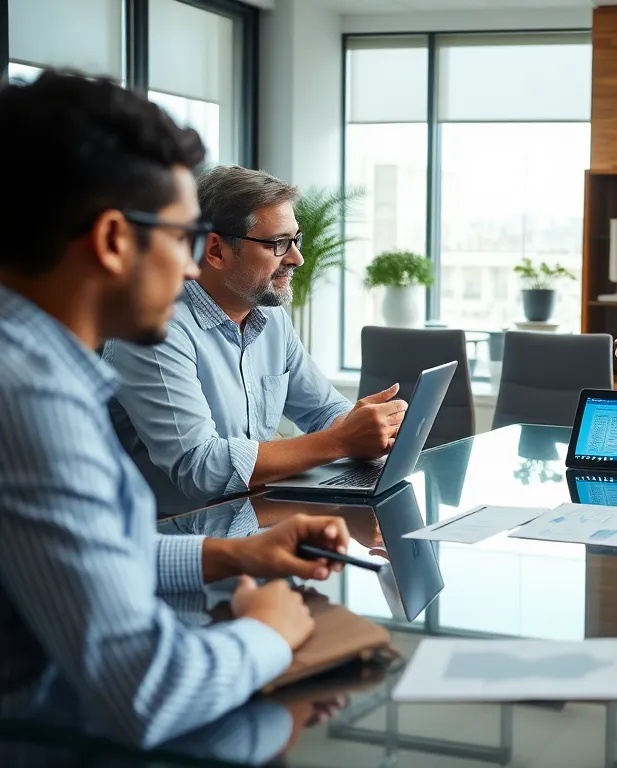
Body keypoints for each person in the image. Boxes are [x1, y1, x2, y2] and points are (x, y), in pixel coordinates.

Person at [0, 71, 355, 747]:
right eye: (183, 237)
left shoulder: (37, 368)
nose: (194, 268)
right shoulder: (32, 398)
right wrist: (268, 634)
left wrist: (237, 552)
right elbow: (148, 689)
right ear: (111, 241)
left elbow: (95, 558)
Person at [103, 165, 408, 516]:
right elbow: (200, 468)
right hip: (171, 542)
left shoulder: (270, 316)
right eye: (278, 244)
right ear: (215, 250)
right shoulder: (153, 330)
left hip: (253, 526)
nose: (297, 258)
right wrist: (341, 441)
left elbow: (323, 410)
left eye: (296, 240)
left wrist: (367, 428)